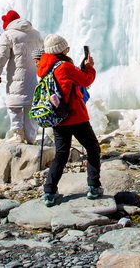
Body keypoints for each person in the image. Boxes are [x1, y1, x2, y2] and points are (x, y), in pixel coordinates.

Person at [39, 34, 101, 207]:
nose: (68, 49)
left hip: (58, 118)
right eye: (65, 47)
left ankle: (49, 191)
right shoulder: (64, 66)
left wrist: (80, 68)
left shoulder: (46, 67)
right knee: (93, 148)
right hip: (75, 116)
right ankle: (94, 186)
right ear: (60, 49)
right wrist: (89, 68)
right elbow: (86, 80)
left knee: (61, 154)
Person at [0, 9, 44, 144]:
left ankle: (18, 134)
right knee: (30, 106)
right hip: (33, 77)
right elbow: (42, 55)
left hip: (16, 77)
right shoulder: (36, 34)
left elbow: (1, 56)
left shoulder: (8, 35)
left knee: (15, 105)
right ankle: (31, 137)